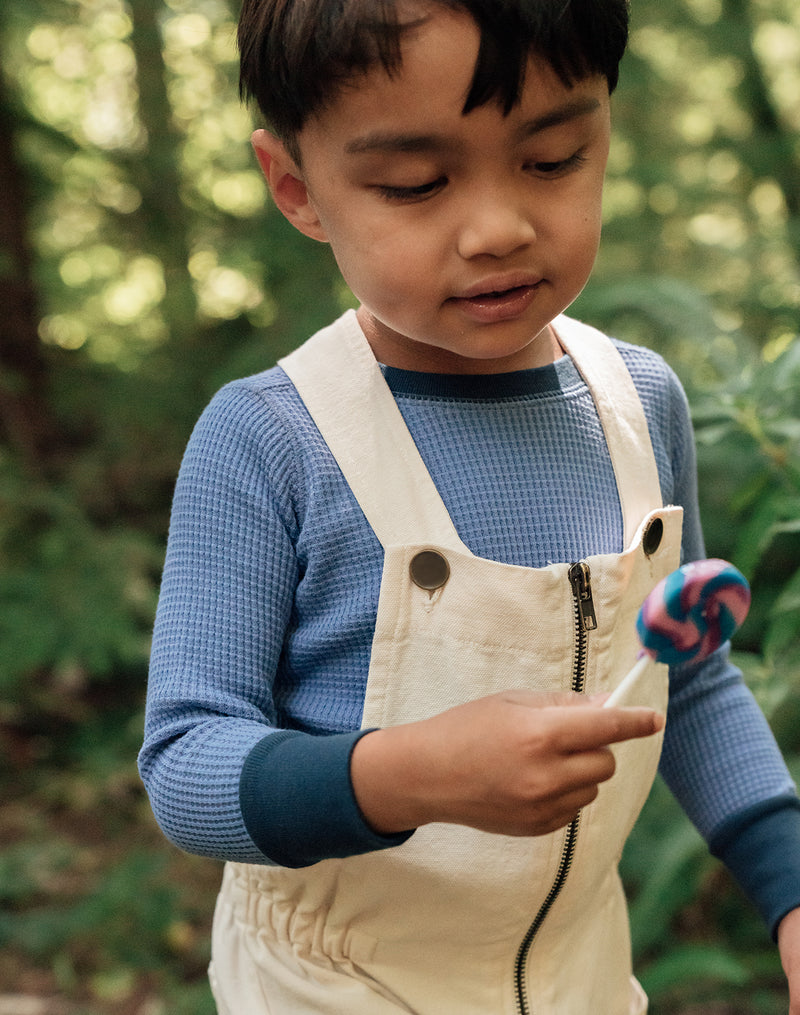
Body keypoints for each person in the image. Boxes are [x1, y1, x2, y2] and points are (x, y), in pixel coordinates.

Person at [138, 1, 800, 1011]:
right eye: (415, 182)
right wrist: (407, 775)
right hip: (334, 986)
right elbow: (186, 765)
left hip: (576, 977)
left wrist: (789, 888)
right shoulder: (273, 439)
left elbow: (687, 675)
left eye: (549, 159)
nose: (498, 228)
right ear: (296, 187)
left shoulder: (637, 403)